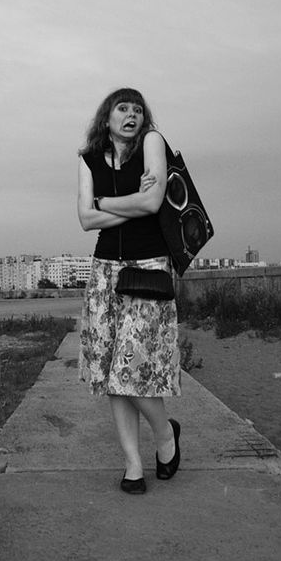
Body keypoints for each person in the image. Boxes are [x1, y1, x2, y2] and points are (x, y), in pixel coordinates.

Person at [77, 88, 181, 495]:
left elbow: (152, 204)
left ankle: (166, 434)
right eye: (122, 108)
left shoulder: (152, 142)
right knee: (111, 374)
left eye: (137, 109)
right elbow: (85, 220)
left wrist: (104, 201)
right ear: (107, 117)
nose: (131, 115)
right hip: (105, 271)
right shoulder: (88, 158)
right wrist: (130, 201)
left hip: (148, 268)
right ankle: (133, 464)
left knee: (131, 368)